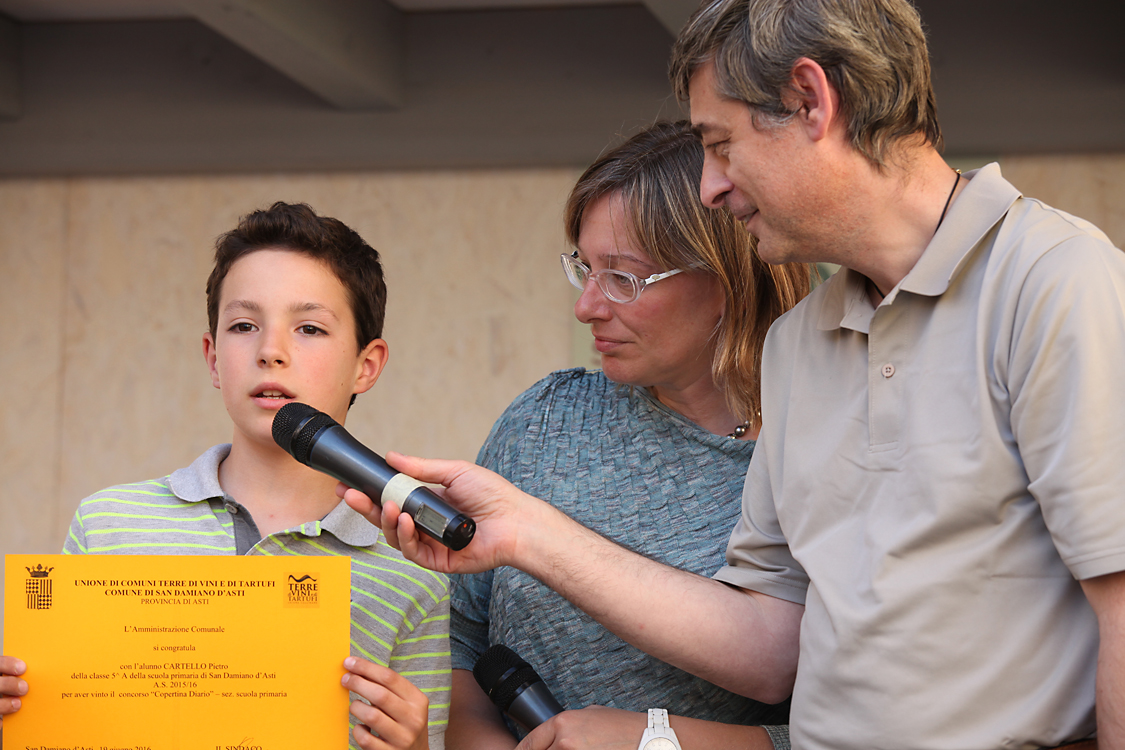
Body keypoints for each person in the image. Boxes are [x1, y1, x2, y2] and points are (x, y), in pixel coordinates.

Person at [338, 1, 1125, 749]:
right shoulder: (800, 345)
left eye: (719, 144)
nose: (711, 186)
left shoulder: (1055, 281)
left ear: (810, 101)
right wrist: (526, 534)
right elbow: (772, 644)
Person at [0, 202, 451, 750]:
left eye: (309, 328)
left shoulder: (413, 576)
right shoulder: (108, 524)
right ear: (214, 358)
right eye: (243, 326)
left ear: (367, 364)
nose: (270, 352)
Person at [446, 121, 808, 750]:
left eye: (623, 278)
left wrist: (654, 739)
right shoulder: (544, 419)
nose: (587, 306)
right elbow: (459, 639)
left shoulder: (816, 454)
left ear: (724, 278)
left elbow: (844, 726)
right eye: (584, 268)